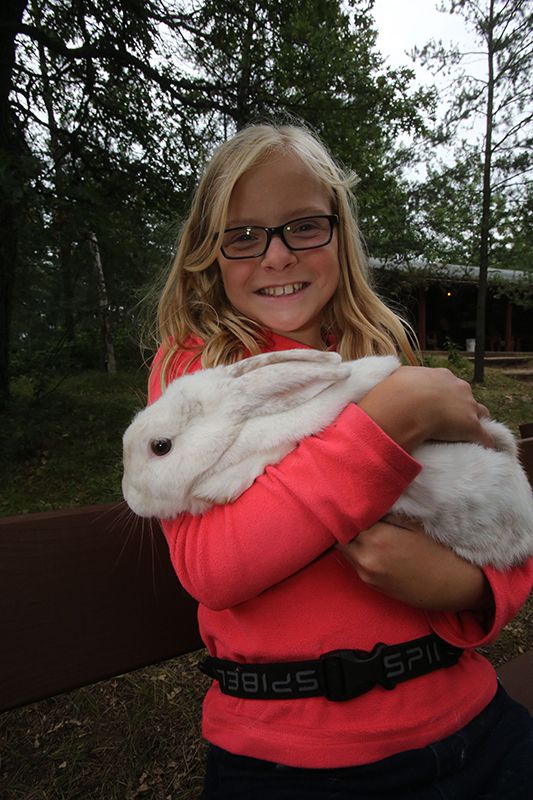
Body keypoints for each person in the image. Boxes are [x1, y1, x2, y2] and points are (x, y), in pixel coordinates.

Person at [148, 123, 533, 799]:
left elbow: (498, 505)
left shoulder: (384, 353)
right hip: (291, 756)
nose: (275, 256)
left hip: (468, 714)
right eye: (242, 235)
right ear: (208, 251)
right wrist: (387, 421)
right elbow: (213, 567)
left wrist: (466, 590)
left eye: (302, 226)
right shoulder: (197, 371)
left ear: (337, 233)